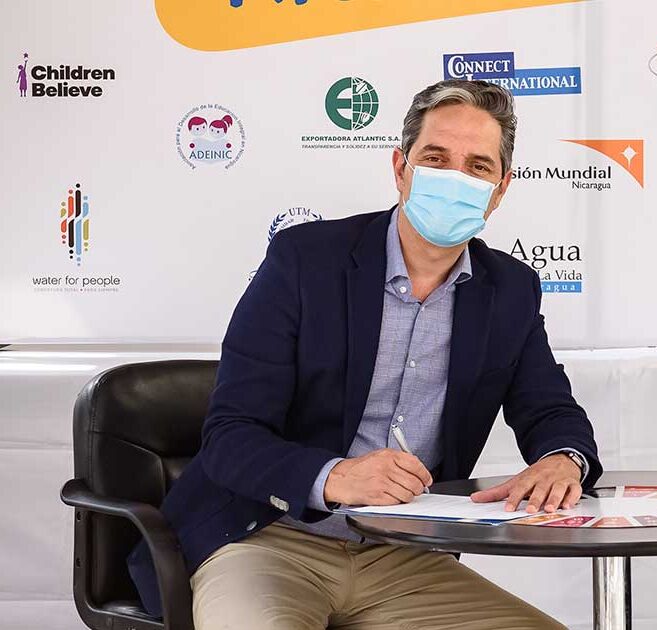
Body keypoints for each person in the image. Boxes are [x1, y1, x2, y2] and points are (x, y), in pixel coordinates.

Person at [128, 79, 602, 630]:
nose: (456, 178)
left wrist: (563, 459)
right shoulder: (305, 261)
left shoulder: (510, 289)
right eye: (436, 158)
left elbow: (550, 409)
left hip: (404, 556)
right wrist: (333, 477)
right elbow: (231, 436)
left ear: (500, 190)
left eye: (478, 167)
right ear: (401, 167)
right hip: (266, 540)